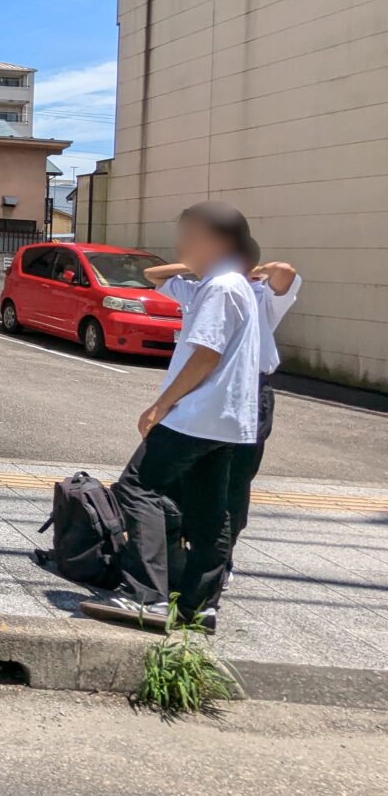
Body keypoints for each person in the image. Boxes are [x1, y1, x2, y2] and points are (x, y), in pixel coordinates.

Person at [97, 201, 263, 629]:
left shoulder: (222, 286)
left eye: (188, 235)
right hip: (225, 419)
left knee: (137, 487)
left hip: (196, 413)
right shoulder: (229, 283)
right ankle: (198, 606)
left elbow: (205, 355)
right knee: (210, 510)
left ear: (217, 241)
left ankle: (146, 594)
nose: (179, 243)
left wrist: (161, 404)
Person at [144, 256, 301, 567]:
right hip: (196, 392)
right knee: (180, 477)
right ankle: (176, 556)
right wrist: (195, 264)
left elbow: (285, 272)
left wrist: (249, 269)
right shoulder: (202, 289)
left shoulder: (262, 295)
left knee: (233, 481)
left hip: (246, 394)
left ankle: (219, 563)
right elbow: (152, 275)